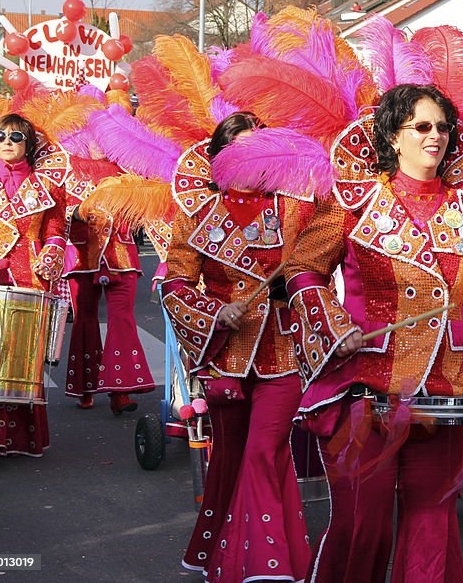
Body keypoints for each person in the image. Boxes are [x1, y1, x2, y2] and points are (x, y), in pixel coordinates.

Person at [285, 84, 463, 583]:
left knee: (431, 526)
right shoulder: (355, 203)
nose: (434, 136)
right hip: (366, 387)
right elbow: (303, 270)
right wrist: (335, 326)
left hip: (444, 390)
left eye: (441, 126)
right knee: (363, 526)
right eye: (421, 126)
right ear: (394, 137)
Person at [162, 112, 314, 582]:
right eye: (238, 149)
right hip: (226, 355)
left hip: (284, 351)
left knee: (264, 451)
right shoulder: (198, 213)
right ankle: (215, 551)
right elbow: (174, 282)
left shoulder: (295, 207)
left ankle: (264, 567)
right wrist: (212, 312)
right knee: (229, 455)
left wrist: (300, 287)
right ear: (219, 158)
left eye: (258, 146)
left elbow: (320, 266)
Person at [0, 114, 68, 464]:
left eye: (16, 136)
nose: (7, 141)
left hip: (28, 277)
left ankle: (16, 436)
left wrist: (51, 255)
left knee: (19, 358)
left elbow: (55, 233)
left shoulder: (48, 186)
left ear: (29, 144)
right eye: (0, 135)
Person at [63, 169, 154, 414]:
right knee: (84, 320)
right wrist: (76, 211)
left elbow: (148, 210)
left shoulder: (129, 171)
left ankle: (120, 390)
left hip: (122, 257)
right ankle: (85, 387)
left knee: (122, 320)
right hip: (82, 256)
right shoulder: (63, 166)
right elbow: (52, 208)